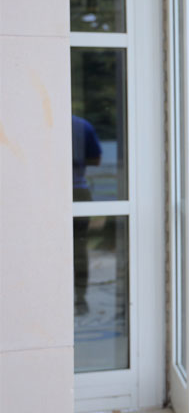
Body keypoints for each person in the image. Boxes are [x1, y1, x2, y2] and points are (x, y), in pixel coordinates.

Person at [72, 114, 102, 316]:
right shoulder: (82, 125)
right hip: (78, 190)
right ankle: (79, 299)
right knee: (79, 247)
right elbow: (96, 159)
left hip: (56, 191)